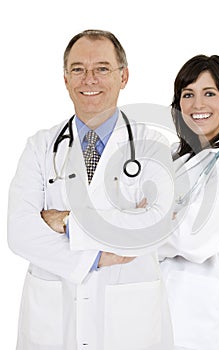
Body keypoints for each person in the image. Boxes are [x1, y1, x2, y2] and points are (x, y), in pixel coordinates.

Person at [7, 29, 174, 350]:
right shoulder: (40, 146)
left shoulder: (152, 146)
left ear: (123, 76)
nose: (89, 79)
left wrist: (68, 222)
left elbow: (156, 226)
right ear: (66, 78)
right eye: (78, 69)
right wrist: (98, 255)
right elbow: (19, 231)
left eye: (102, 68)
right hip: (54, 314)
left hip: (129, 314)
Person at [158, 55, 219, 350]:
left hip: (196, 306)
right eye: (188, 94)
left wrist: (143, 226)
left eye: (209, 93)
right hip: (154, 299)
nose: (197, 105)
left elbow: (192, 238)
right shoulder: (174, 158)